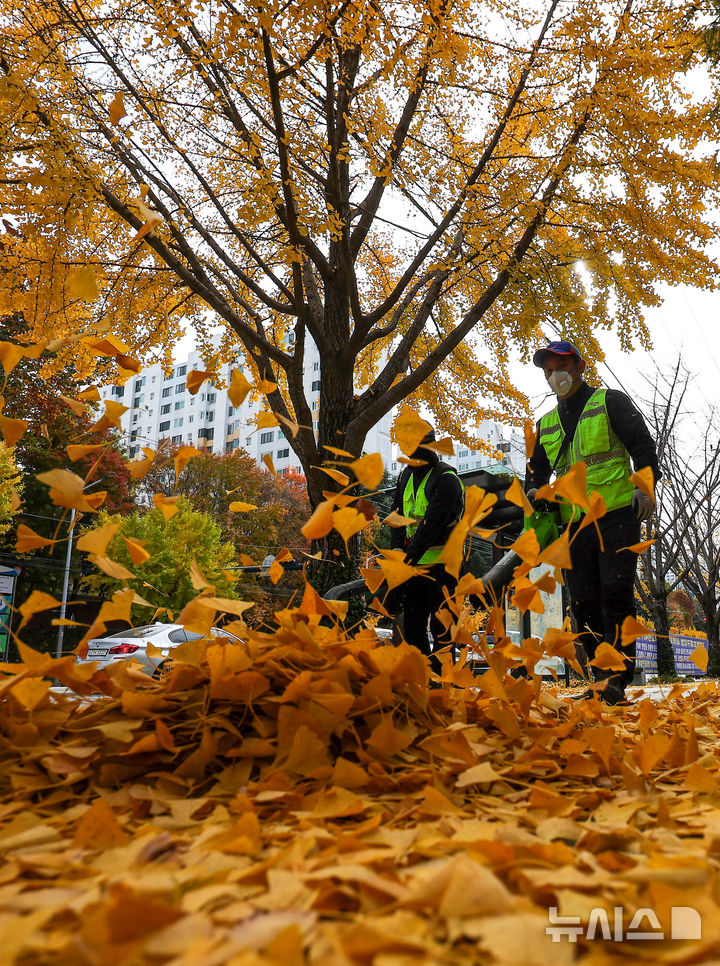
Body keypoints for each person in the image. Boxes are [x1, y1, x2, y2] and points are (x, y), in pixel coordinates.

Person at [526, 340, 659, 705]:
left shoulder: (609, 402)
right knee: (583, 601)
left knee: (614, 592)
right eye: (548, 370)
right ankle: (600, 678)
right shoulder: (546, 424)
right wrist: (535, 492)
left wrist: (645, 487)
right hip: (573, 524)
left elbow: (642, 446)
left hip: (616, 514)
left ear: (579, 367)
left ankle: (616, 678)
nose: (555, 375)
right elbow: (535, 473)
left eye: (561, 366)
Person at [389, 430, 465, 672]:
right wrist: (396, 554)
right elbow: (397, 518)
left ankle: (442, 684)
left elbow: (430, 529)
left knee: (443, 634)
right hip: (415, 567)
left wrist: (404, 564)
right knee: (412, 629)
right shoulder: (405, 477)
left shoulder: (446, 479)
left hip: (445, 569)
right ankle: (425, 679)